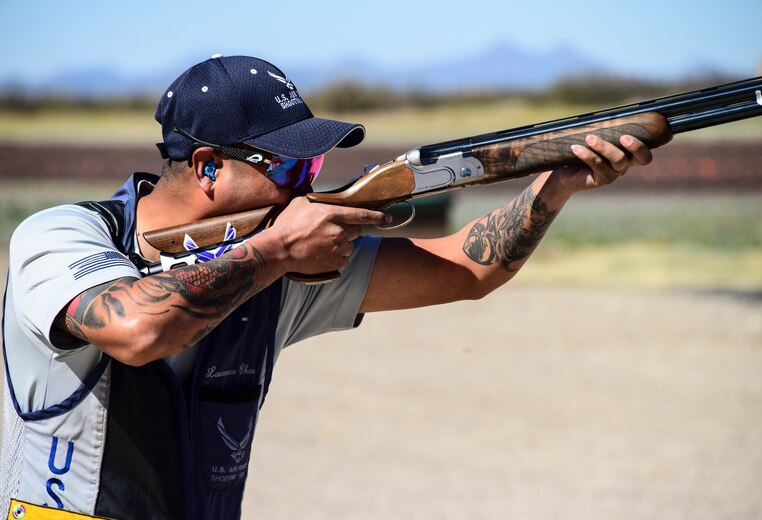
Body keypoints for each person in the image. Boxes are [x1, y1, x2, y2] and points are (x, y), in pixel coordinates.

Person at [0, 55, 652, 519]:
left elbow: (470, 268)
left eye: (313, 163)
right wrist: (279, 248)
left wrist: (556, 184)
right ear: (206, 168)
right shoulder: (61, 238)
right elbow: (138, 330)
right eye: (289, 165)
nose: (308, 185)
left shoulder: (281, 267)